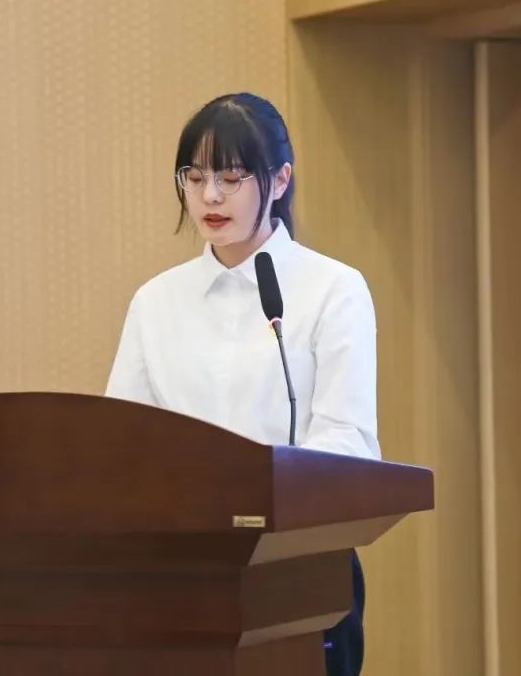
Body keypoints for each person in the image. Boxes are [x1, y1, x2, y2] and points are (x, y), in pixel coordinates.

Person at [105, 92, 379, 676]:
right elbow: (122, 446)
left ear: (280, 180)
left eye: (231, 178)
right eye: (194, 177)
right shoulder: (156, 302)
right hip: (181, 574)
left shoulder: (333, 289)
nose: (209, 196)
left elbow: (349, 443)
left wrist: (259, 493)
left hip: (300, 569)